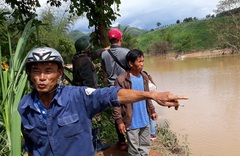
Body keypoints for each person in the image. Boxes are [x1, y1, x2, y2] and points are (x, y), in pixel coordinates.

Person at [18, 47, 188, 156]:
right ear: (29, 74)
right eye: (36, 71)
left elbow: (111, 95)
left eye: (48, 70)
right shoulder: (25, 107)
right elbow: (33, 147)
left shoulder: (78, 97)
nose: (42, 77)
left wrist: (152, 96)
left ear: (60, 72)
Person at [113, 49, 158, 155]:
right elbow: (116, 102)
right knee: (134, 150)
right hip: (131, 122)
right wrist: (119, 121)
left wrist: (152, 110)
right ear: (130, 63)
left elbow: (148, 96)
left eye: (143, 61)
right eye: (139, 61)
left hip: (145, 120)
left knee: (145, 147)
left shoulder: (144, 77)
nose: (142, 64)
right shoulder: (121, 80)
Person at [72, 37, 109, 152]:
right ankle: (96, 145)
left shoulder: (77, 59)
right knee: (94, 120)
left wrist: (104, 49)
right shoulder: (85, 62)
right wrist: (95, 98)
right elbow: (89, 83)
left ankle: (90, 144)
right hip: (88, 96)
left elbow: (92, 55)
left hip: (79, 96)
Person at [101, 28, 130, 150]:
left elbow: (104, 71)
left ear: (110, 40)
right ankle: (132, 138)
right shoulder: (127, 52)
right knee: (129, 111)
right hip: (126, 85)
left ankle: (122, 141)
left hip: (112, 87)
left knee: (117, 113)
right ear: (120, 39)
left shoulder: (104, 54)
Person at [143, 71, 157, 141]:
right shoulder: (151, 85)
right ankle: (152, 134)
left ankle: (149, 134)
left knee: (148, 118)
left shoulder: (142, 84)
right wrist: (151, 80)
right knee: (151, 118)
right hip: (150, 103)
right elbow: (155, 87)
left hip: (144, 103)